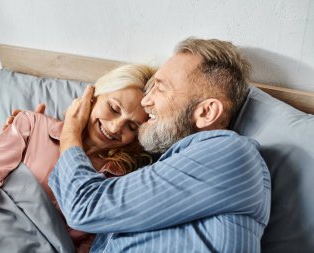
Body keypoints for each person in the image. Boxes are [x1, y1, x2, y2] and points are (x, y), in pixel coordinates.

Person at [49, 37, 271, 252]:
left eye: (161, 88)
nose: (146, 101)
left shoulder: (231, 154)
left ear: (206, 112)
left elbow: (84, 206)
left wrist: (71, 131)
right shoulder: (169, 164)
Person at [0, 64, 156, 253]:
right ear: (93, 96)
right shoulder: (33, 125)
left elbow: (92, 244)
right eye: (114, 108)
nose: (116, 127)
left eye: (132, 126)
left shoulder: (119, 181)